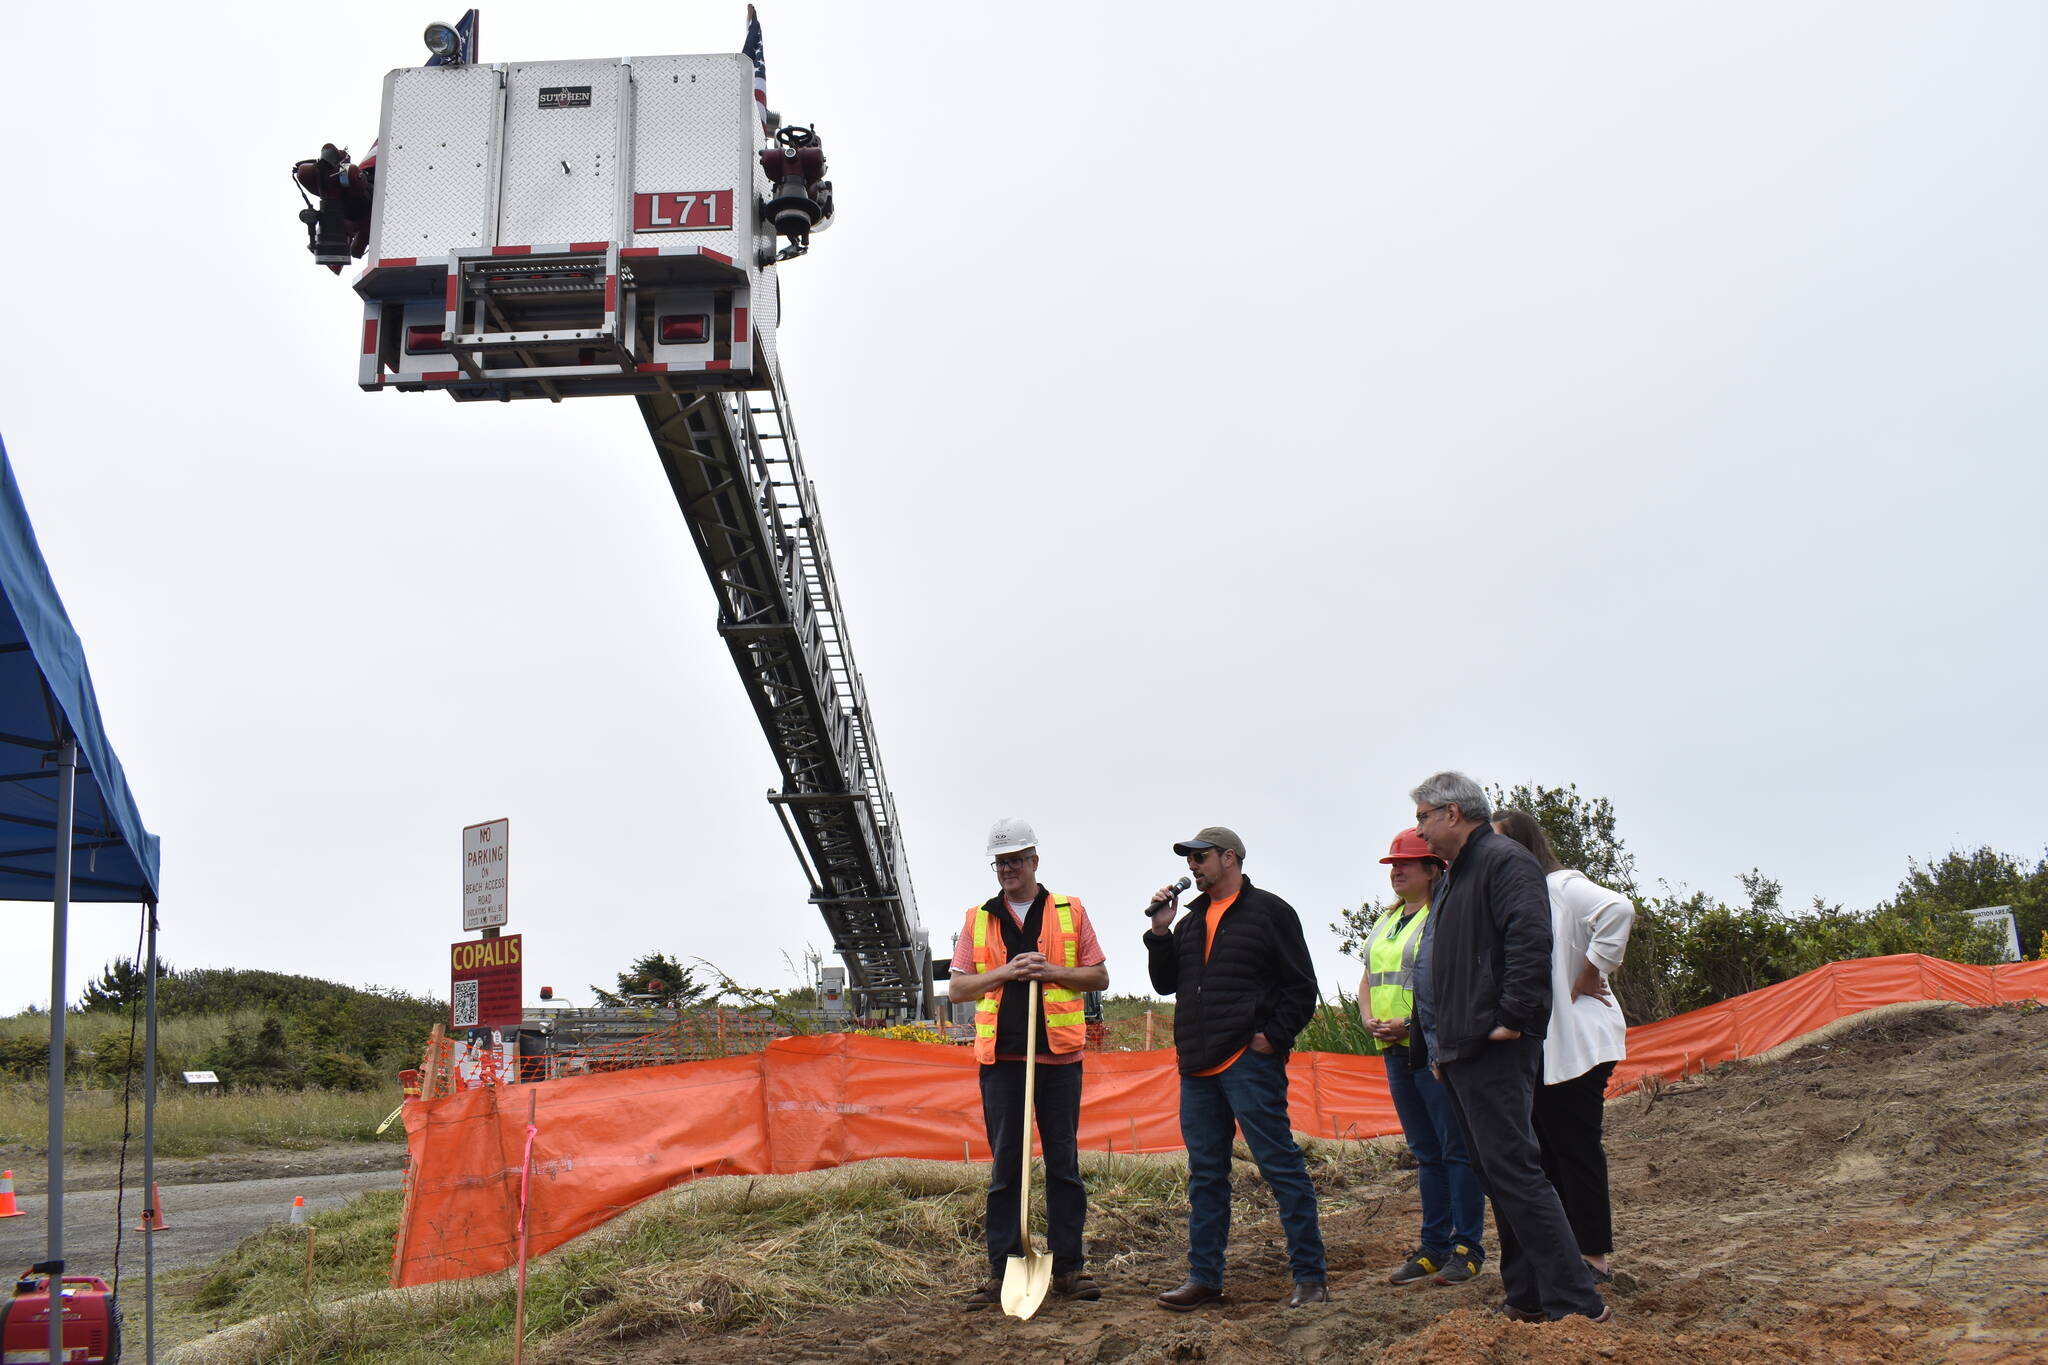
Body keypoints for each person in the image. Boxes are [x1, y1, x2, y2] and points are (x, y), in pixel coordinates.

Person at [1411, 773, 1609, 1324]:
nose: (1419, 826)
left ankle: (1577, 1302)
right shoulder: (1456, 874)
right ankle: (1525, 1296)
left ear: (1453, 813)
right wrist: (1439, 1045)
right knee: (1497, 1176)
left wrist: (1514, 1018)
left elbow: (1529, 937)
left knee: (1517, 1173)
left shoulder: (1504, 860)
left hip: (1494, 1046)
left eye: (1424, 815)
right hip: (1460, 1050)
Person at [1144, 826, 1328, 1310]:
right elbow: (1165, 985)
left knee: (1279, 1164)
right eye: (1188, 858)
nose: (1192, 865)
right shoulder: (1189, 921)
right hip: (1198, 1066)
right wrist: (1160, 931)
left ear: (1230, 857)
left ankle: (1310, 1277)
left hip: (1248, 1061)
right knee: (1205, 1175)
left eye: (1200, 857)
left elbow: (1300, 986)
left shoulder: (1269, 912)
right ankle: (1205, 1278)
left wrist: (1273, 1037)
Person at [947, 818, 1110, 1308]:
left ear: (1035, 861)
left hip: (1058, 1058)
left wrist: (1053, 970)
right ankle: (1003, 1269)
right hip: (1002, 1061)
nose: (1008, 869)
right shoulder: (977, 918)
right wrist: (1005, 972)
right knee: (1005, 1167)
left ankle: (1069, 1268)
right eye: (1001, 862)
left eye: (1016, 860)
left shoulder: (1070, 911)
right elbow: (957, 988)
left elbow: (1099, 976)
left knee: (1063, 1163)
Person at [1491, 808, 1636, 1284]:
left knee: (1575, 1149)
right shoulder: (1513, 895)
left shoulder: (1560, 886)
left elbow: (1617, 909)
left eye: (1501, 842)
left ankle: (1594, 1258)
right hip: (1542, 1049)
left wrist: (1594, 968)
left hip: (1579, 1044)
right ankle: (1565, 1253)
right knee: (1547, 1153)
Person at [1359, 829, 1486, 1287]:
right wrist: (1369, 1018)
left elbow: (1451, 985)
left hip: (1432, 1049)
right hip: (1393, 1050)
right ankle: (1433, 1247)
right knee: (1427, 1153)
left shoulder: (1445, 916)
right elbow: (1369, 977)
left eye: (1405, 864)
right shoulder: (1388, 919)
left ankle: (1467, 1248)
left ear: (1434, 870)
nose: (1395, 871)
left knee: (1456, 1151)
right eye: (1393, 864)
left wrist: (1412, 1027)